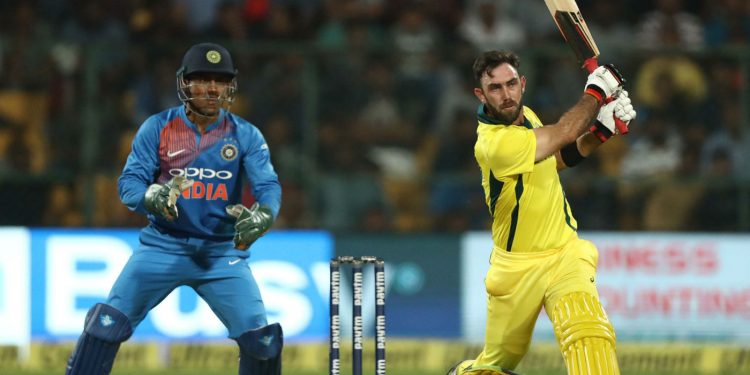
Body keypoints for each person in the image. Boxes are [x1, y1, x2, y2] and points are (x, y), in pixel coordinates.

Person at [65, 42, 283, 375]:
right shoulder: (157, 127)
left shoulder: (245, 135)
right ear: (184, 83)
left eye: (220, 81)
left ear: (230, 85)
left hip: (221, 255)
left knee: (262, 341)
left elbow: (268, 186)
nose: (212, 88)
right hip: (162, 246)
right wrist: (151, 197)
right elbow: (130, 184)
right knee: (106, 325)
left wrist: (265, 214)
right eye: (202, 79)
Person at [448, 50, 636, 375]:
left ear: (522, 84)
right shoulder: (493, 143)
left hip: (564, 252)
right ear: (480, 94)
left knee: (588, 332)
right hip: (516, 269)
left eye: (510, 85)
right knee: (495, 366)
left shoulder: (527, 116)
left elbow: (554, 160)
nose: (506, 95)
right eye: (495, 88)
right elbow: (562, 133)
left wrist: (601, 132)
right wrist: (596, 92)